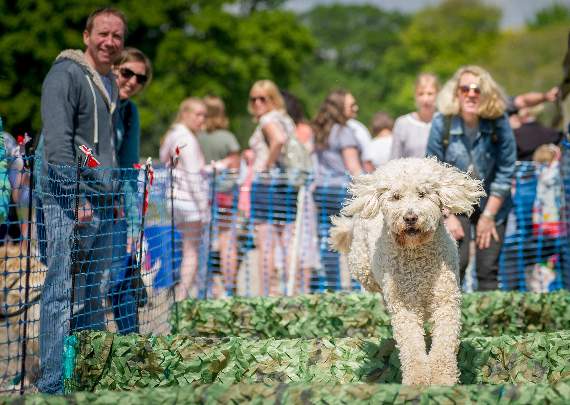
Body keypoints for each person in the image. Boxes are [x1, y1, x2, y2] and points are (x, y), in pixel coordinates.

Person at [37, 7, 126, 394]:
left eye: (118, 36)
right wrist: (74, 196)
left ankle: (85, 378)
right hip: (67, 197)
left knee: (93, 291)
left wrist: (113, 190)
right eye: (103, 33)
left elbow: (99, 149)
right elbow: (59, 142)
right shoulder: (65, 75)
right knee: (62, 290)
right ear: (87, 35)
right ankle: (54, 384)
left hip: (102, 198)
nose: (110, 42)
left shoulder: (110, 83)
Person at [426, 65, 516, 291]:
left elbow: (506, 171)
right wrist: (447, 215)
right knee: (456, 265)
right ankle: (453, 323)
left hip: (493, 203)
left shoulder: (499, 122)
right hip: (454, 203)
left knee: (487, 270)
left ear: (486, 94)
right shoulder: (442, 123)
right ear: (456, 92)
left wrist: (489, 216)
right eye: (465, 88)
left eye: (477, 89)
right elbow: (432, 171)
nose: (471, 94)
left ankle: (491, 325)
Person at [107, 47, 152, 334]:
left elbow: (128, 171)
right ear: (113, 69)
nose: (132, 81)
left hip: (111, 208)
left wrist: (133, 228)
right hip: (72, 202)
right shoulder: (92, 101)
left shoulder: (129, 112)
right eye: (127, 73)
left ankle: (131, 351)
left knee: (122, 276)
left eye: (140, 78)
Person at [247, 79, 300, 296]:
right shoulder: (285, 119)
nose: (258, 103)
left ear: (273, 99)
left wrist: (266, 166)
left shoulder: (268, 119)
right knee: (288, 243)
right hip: (287, 185)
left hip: (267, 186)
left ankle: (267, 297)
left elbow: (278, 140)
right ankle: (291, 293)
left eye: (263, 98)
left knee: (266, 245)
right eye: (254, 99)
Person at [312, 89, 363, 291]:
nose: (356, 108)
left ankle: (332, 287)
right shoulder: (344, 131)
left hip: (322, 191)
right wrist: (367, 189)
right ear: (340, 108)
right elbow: (353, 166)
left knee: (327, 238)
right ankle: (355, 286)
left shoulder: (321, 131)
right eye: (352, 105)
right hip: (342, 190)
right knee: (353, 236)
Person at [159, 97, 208, 301]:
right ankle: (182, 296)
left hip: (173, 198)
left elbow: (164, 159)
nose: (202, 119)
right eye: (198, 114)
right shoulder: (186, 137)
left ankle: (182, 293)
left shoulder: (172, 135)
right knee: (192, 251)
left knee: (186, 248)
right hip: (189, 201)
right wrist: (204, 206)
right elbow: (192, 173)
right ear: (185, 114)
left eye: (204, 115)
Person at [198, 96, 240, 297]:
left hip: (202, 193)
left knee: (202, 239)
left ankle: (207, 285)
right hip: (225, 193)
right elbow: (235, 166)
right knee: (226, 239)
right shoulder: (227, 137)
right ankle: (229, 286)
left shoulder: (197, 136)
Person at [390, 73, 439, 159]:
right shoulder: (402, 123)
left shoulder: (445, 122)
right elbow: (394, 159)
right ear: (415, 96)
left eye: (430, 94)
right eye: (421, 94)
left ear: (437, 95)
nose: (425, 99)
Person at [344, 93, 371, 160]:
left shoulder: (357, 128)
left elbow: (367, 157)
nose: (356, 108)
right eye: (352, 105)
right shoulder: (357, 128)